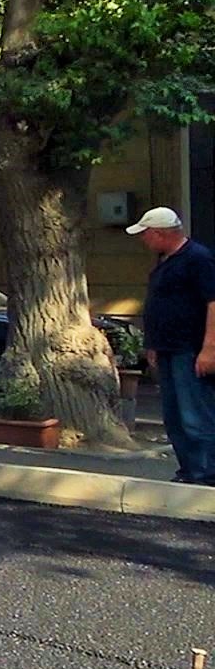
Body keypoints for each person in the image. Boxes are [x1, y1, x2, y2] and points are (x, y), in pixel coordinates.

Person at [129, 207, 215, 485]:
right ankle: (188, 469)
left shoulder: (197, 259)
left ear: (160, 234)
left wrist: (209, 348)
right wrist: (152, 344)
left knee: (195, 414)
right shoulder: (164, 261)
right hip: (166, 348)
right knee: (174, 416)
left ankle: (206, 472)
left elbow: (213, 303)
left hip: (189, 348)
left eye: (146, 234)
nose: (144, 240)